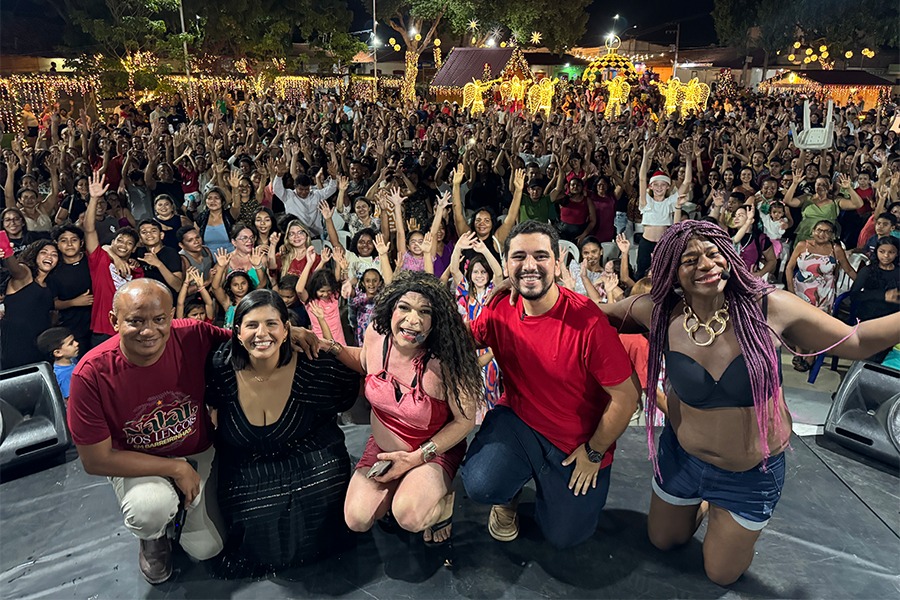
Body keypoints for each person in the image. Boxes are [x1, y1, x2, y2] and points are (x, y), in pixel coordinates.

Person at [601, 219, 900, 586]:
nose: (706, 265)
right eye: (690, 260)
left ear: (728, 256)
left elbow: (857, 341)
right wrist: (516, 291)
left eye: (714, 254)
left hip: (749, 476)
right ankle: (705, 504)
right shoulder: (660, 311)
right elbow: (595, 315)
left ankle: (724, 513)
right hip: (682, 459)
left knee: (720, 574)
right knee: (663, 542)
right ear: (671, 271)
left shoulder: (769, 306)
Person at [461, 220, 640, 549]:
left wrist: (595, 451)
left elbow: (627, 397)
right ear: (506, 265)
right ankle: (509, 493)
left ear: (558, 264)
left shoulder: (586, 319)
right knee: (480, 483)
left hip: (577, 443)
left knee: (565, 536)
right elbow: (459, 341)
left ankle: (551, 487)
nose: (529, 265)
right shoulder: (500, 306)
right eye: (518, 257)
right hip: (519, 421)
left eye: (541, 256)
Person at [67, 279, 229, 584]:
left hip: (196, 448)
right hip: (135, 462)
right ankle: (154, 536)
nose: (149, 330)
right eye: (135, 321)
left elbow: (249, 339)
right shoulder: (90, 373)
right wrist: (175, 468)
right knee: (149, 508)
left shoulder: (193, 333)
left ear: (171, 315)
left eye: (159, 319)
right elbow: (95, 461)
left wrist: (294, 332)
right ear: (114, 321)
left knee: (207, 548)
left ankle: (182, 511)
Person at [205, 289, 359, 577]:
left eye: (271, 324)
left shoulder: (314, 365)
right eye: (252, 325)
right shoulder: (220, 368)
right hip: (247, 462)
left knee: (321, 492)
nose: (262, 333)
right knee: (255, 513)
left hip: (309, 453)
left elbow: (351, 390)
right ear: (237, 332)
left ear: (287, 329)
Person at [337, 271, 483, 545]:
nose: (412, 320)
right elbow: (365, 361)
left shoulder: (447, 361)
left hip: (431, 450)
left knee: (409, 517)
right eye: (404, 307)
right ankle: (403, 487)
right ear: (391, 308)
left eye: (424, 312)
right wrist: (330, 347)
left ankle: (441, 502)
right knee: (356, 519)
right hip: (383, 448)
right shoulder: (375, 336)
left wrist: (415, 459)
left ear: (435, 321)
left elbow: (464, 422)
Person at [0, 240, 58, 368]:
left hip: (38, 344)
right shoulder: (26, 274)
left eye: (54, 255)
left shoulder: (49, 284)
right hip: (15, 343)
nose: (49, 257)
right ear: (35, 255)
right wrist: (7, 253)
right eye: (44, 253)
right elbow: (15, 268)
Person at [36, 326, 80, 400]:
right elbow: (71, 400)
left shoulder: (71, 360)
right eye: (71, 343)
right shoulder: (65, 375)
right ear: (58, 353)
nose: (76, 343)